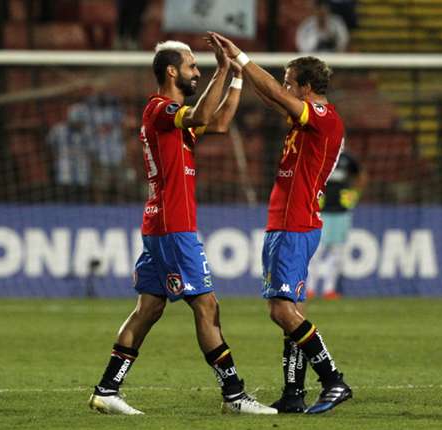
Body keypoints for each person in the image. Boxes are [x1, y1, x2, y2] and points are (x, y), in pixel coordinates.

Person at [87, 39, 277, 415]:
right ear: (171, 71)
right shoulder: (161, 110)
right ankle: (234, 396)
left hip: (162, 224)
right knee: (206, 305)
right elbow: (202, 116)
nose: (197, 71)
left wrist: (236, 78)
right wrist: (224, 69)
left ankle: (106, 390)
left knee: (149, 308)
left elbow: (219, 122)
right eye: (192, 66)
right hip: (174, 227)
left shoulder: (172, 120)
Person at [209, 31, 353, 414]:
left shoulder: (322, 117)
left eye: (291, 82)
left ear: (306, 88)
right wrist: (240, 75)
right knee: (290, 309)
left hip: (296, 221)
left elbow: (274, 92)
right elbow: (271, 93)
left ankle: (334, 380)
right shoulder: (306, 117)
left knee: (280, 310)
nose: (284, 88)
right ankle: (293, 393)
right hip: (287, 220)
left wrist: (239, 58)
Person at [306, 151, 367, 299]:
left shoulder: (347, 159)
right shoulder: (320, 156)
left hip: (342, 211)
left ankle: (329, 290)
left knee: (337, 252)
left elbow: (361, 175)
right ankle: (309, 288)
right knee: (316, 251)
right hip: (322, 211)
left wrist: (355, 195)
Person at [46, 103, 95, 202]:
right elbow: (50, 144)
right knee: (64, 199)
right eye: (78, 121)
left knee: (81, 200)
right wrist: (56, 157)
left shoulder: (88, 132)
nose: (80, 124)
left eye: (82, 122)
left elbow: (92, 150)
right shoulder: (58, 130)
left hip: (82, 171)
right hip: (64, 171)